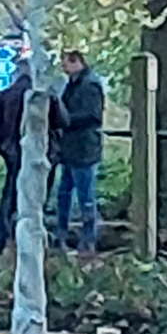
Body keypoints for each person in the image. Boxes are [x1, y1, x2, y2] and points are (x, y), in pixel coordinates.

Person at [47, 48, 105, 248]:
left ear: (76, 62)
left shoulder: (89, 86)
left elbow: (93, 115)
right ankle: (62, 232)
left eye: (66, 63)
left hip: (83, 147)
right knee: (65, 192)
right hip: (71, 147)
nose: (63, 67)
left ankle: (88, 237)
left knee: (84, 193)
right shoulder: (73, 85)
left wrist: (66, 120)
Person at [0, 58, 29, 249]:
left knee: (10, 192)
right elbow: (62, 120)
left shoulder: (4, 96)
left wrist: (2, 147)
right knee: (30, 195)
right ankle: (20, 236)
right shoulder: (42, 96)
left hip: (11, 149)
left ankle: (0, 236)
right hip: (32, 150)